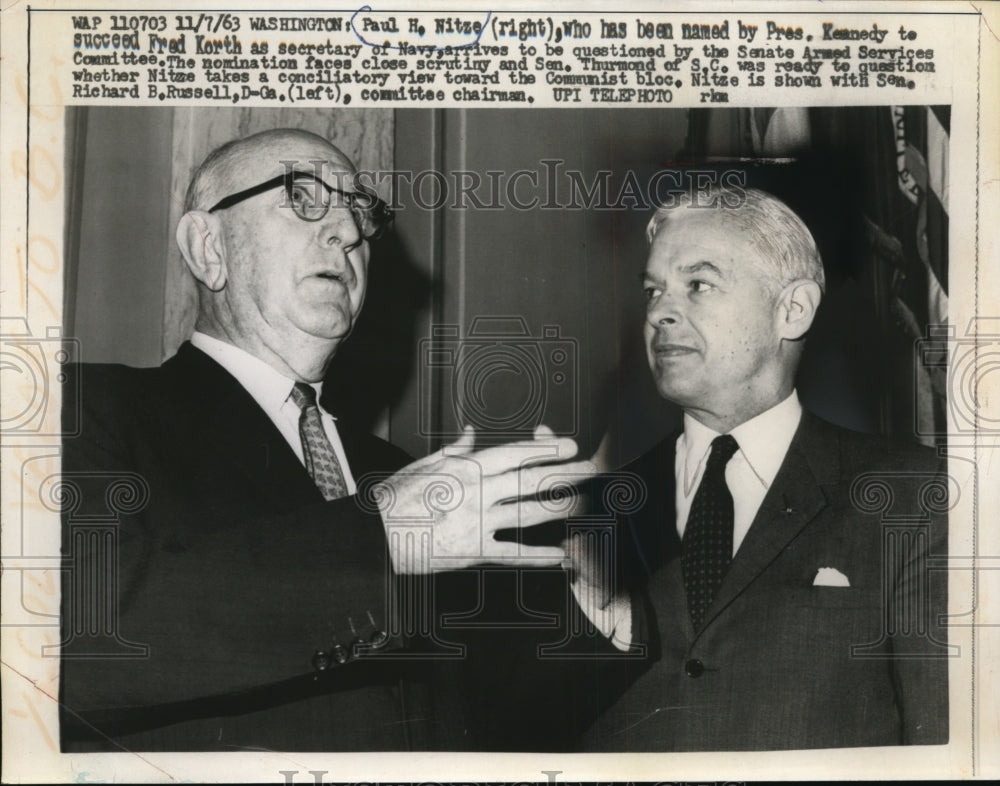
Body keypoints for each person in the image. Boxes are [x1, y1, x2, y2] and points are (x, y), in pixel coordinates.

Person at [58, 128, 594, 752]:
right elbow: (78, 641)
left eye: (361, 213)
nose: (348, 231)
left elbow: (488, 718)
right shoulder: (91, 409)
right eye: (304, 197)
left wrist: (598, 593)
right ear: (208, 248)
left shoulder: (400, 476)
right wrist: (380, 539)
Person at [566, 184, 950, 751]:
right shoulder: (590, 505)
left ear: (792, 310)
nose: (660, 313)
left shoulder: (911, 496)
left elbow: (945, 744)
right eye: (653, 292)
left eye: (698, 284)